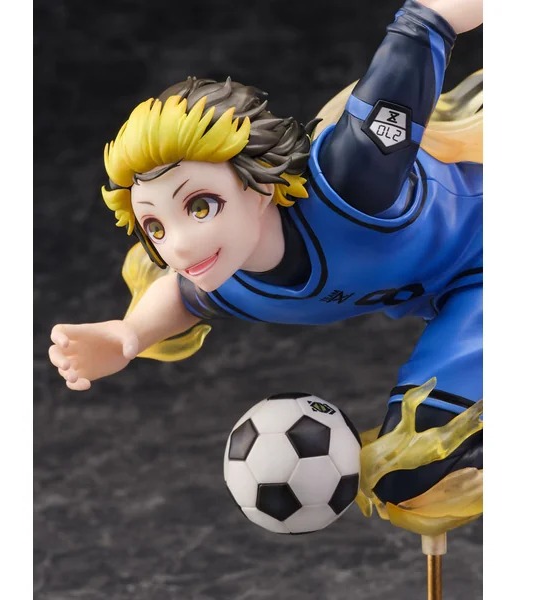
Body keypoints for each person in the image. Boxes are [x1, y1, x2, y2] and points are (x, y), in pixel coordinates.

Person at [49, 0, 483, 507]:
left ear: (257, 189)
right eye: (155, 227)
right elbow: (184, 296)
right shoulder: (236, 280)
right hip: (459, 299)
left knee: (425, 458)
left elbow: (417, 37)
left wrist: (436, 15)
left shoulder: (349, 183)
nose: (179, 245)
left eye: (200, 205)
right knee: (410, 473)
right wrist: (132, 334)